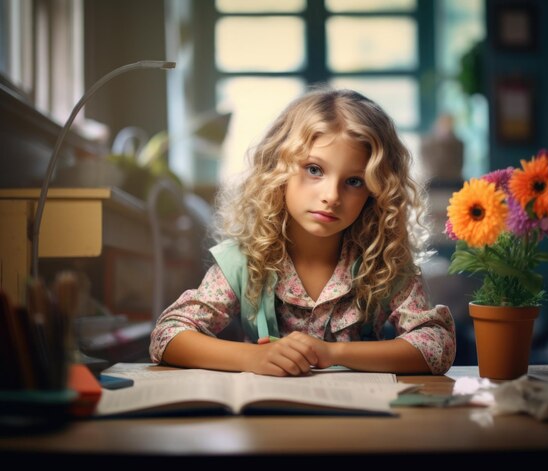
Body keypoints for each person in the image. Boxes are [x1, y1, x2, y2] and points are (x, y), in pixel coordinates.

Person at [150, 88, 456, 377]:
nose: (331, 196)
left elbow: (437, 346)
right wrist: (254, 358)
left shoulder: (384, 263)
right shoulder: (244, 261)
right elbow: (167, 335)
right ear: (277, 169)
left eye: (354, 181)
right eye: (314, 170)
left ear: (375, 193)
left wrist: (332, 353)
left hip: (360, 423)